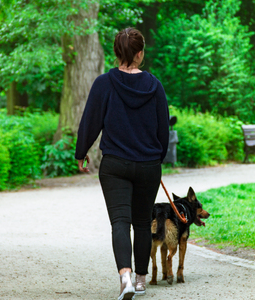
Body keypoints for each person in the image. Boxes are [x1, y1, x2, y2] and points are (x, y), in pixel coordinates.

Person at [74, 28, 169, 300]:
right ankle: (141, 280)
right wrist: (156, 158)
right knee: (141, 222)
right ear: (140, 53)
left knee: (119, 222)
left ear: (117, 52)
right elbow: (163, 129)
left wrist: (81, 152)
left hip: (115, 164)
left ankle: (124, 278)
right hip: (148, 164)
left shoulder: (104, 83)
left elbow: (90, 120)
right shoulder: (155, 85)